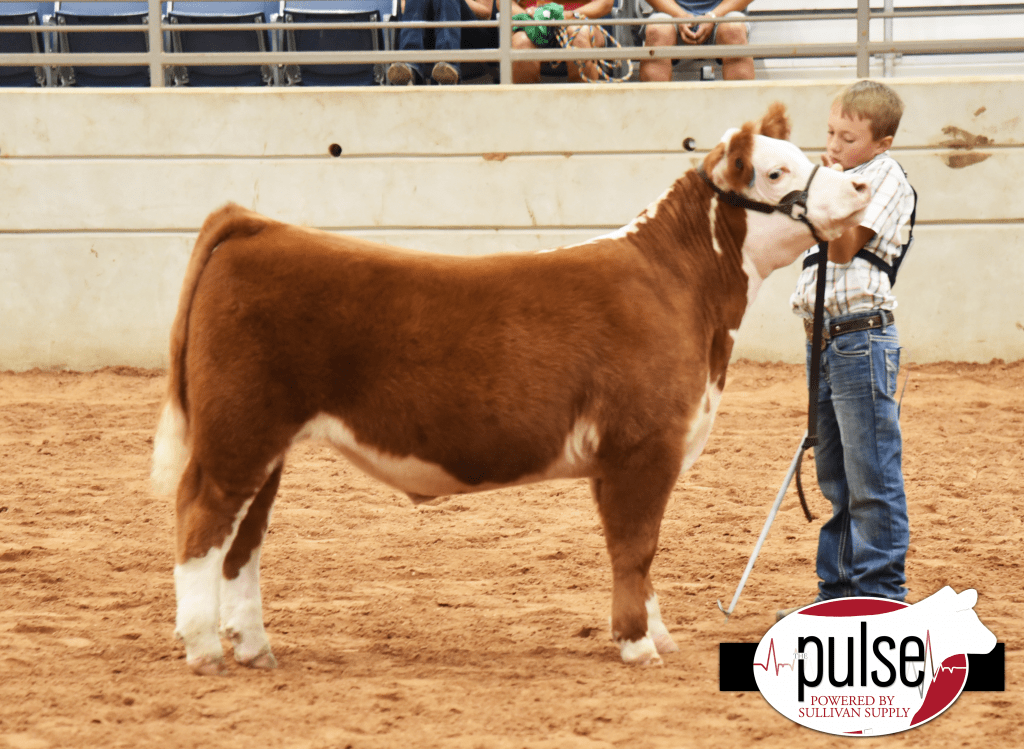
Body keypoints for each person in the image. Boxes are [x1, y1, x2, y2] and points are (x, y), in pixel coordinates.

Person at [778, 80, 917, 620]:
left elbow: (840, 247)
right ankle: (836, 591)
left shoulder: (884, 176)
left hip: (861, 336)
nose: (835, 147)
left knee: (871, 474)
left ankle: (880, 596)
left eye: (850, 138)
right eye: (831, 134)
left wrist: (828, 189)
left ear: (881, 143)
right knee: (835, 474)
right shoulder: (839, 179)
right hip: (822, 338)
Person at [636, 0, 754, 82]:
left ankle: (743, 115)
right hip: (670, 13)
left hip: (723, 14)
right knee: (658, 30)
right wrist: (679, 15)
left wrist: (713, 16)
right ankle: (656, 113)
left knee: (734, 29)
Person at [387, 0, 497, 85]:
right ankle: (410, 66)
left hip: (469, 33)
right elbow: (403, 8)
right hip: (427, 31)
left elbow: (486, 12)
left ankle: (447, 66)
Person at [509, 0, 613, 83]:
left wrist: (570, 15)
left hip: (579, 21)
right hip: (532, 21)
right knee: (521, 42)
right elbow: (504, 3)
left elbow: (606, 3)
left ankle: (584, 104)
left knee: (578, 36)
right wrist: (531, 16)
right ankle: (525, 106)